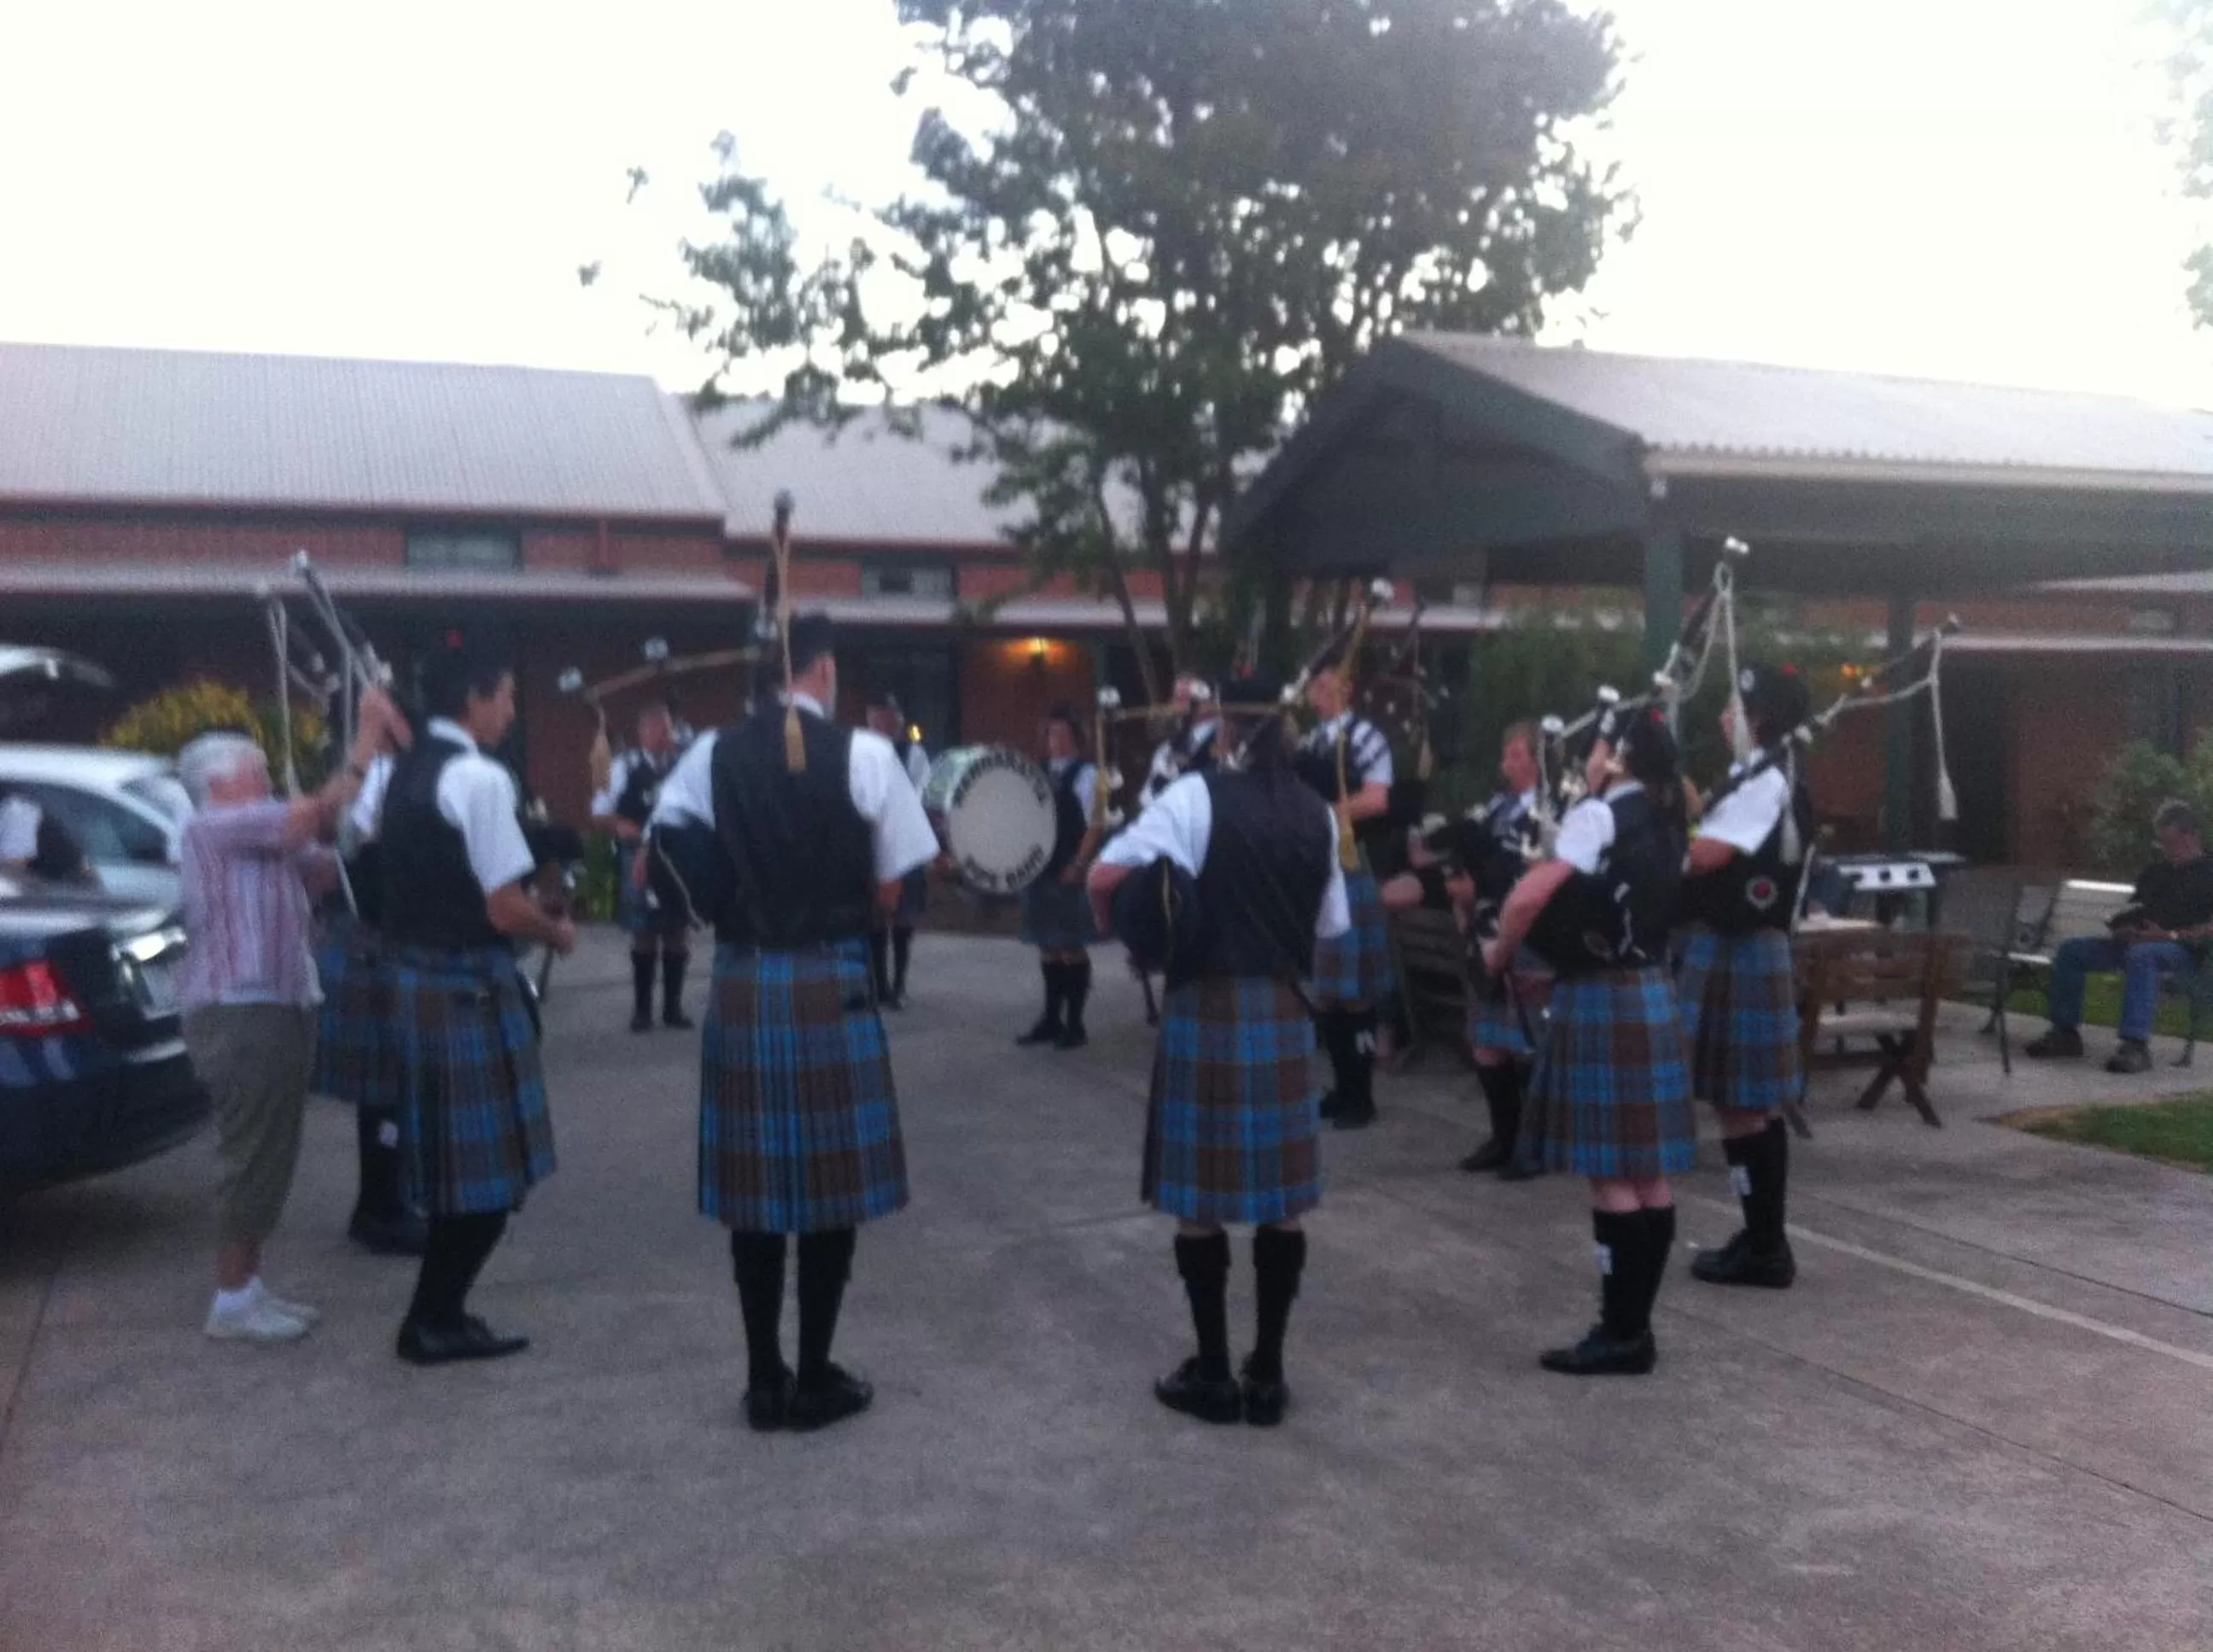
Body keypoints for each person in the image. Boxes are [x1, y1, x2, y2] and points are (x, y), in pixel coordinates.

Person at [649, 613, 938, 1433]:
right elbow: (895, 886)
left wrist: (720, 900)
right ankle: (814, 1375)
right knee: (827, 1193)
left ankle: (762, 1377)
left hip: (743, 982)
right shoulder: (870, 755)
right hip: (830, 979)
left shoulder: (709, 752)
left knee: (756, 1192)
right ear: (822, 670)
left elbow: (661, 855)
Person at [1089, 675, 1349, 1425]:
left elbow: (1107, 874)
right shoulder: (1318, 815)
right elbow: (1330, 926)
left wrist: (1135, 936)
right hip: (1280, 1007)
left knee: (1199, 1202)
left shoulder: (1194, 798)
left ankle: (1211, 1370)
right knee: (1282, 1203)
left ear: (1228, 730)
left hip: (1204, 1004)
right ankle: (1266, 1372)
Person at [176, 694, 408, 1344]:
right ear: (221, 783)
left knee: (269, 1151)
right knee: (248, 1152)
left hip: (274, 1006)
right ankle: (231, 1296)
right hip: (240, 1010)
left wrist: (368, 809)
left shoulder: (263, 838)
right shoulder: (214, 826)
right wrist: (363, 741)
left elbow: (327, 861)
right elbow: (310, 815)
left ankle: (247, 1285)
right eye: (257, 773)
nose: (270, 783)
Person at [1484, 703, 1696, 1377]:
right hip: (1649, 990)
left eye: (1600, 744)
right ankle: (1637, 1329)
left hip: (1601, 1001)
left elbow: (1528, 898)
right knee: (1648, 1175)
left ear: (1620, 757)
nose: (1591, 755)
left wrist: (1498, 955)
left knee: (1612, 1177)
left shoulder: (1598, 814)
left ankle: (1619, 1331)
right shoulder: (1669, 822)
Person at [380, 644, 576, 1367]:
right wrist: (553, 926)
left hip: (419, 982)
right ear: (475, 697)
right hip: (464, 984)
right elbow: (502, 905)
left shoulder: (403, 771)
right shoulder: (477, 776)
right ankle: (432, 1321)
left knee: (458, 1175)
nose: (513, 711)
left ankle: (439, 1312)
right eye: (506, 696)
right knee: (487, 1180)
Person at [1679, 664, 1817, 1290]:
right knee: (1736, 1104)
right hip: (1728, 947)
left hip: (1746, 950)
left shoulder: (1768, 782)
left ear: (1759, 717)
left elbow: (1705, 854)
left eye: (1735, 706)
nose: (1723, 716)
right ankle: (1759, 1234)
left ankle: (1767, 1244)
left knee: (1746, 1103)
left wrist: (1670, 829)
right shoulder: (1750, 776)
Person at [312, 746, 426, 1257]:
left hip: (376, 949)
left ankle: (382, 1203)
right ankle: (381, 1210)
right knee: (384, 1089)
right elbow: (357, 848)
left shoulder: (384, 780)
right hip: (369, 952)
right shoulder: (371, 783)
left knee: (390, 1092)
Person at [2026, 798, 2213, 1074]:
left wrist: (2167, 935)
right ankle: (2064, 1033)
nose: (2166, 849)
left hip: (2182, 950)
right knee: (2072, 950)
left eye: (2170, 842)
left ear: (2191, 836)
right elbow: (2133, 909)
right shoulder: (2156, 872)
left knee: (2142, 955)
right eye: (2161, 842)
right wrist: (2123, 927)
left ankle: (2135, 1046)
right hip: (2138, 941)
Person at [1294, 653, 1396, 1130]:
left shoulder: (1366, 737)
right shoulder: (1312, 739)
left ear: (1347, 689)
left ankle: (1364, 1095)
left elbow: (1378, 797)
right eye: (1315, 686)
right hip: (1319, 865)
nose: (1320, 694)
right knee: (1329, 993)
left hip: (1351, 864)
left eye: (1329, 686)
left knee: (1354, 993)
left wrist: (1327, 813)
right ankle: (1342, 1087)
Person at [593, 700, 692, 1034]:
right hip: (638, 855)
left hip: (676, 856)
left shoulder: (683, 763)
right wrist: (626, 829)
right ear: (643, 731)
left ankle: (673, 1009)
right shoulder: (625, 765)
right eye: (659, 728)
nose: (666, 735)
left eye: (669, 728)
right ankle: (642, 1010)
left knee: (678, 930)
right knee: (644, 931)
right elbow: (601, 811)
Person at [1016, 706, 1103, 1050]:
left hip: (1068, 871)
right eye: (1052, 734)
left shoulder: (1089, 775)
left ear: (1077, 739)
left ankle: (1075, 1024)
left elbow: (1096, 823)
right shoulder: (1034, 772)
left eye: (1064, 735)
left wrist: (1080, 864)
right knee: (1048, 947)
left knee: (1070, 947)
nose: (1057, 741)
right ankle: (1050, 1019)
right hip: (1037, 871)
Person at [863, 690, 931, 1009]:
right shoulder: (861, 751)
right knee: (876, 918)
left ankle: (899, 984)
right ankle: (880, 986)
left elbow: (921, 793)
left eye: (888, 716)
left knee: (904, 919)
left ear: (897, 720)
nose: (882, 721)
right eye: (877, 716)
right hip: (873, 844)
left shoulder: (913, 753)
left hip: (904, 842)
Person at [1136, 673, 1220, 810]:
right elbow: (1147, 797)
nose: (1177, 704)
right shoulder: (1167, 748)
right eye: (1177, 697)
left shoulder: (1225, 741)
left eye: (1185, 698)